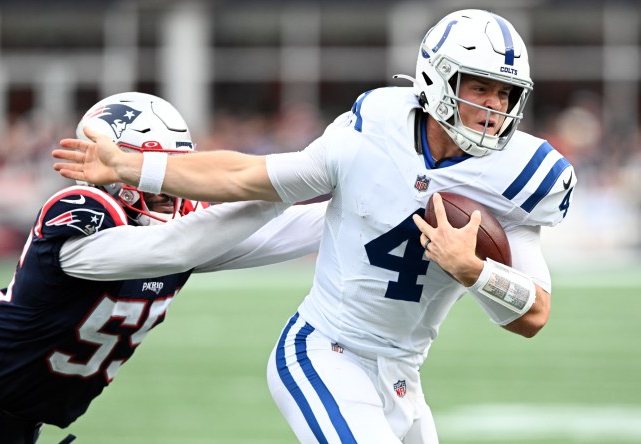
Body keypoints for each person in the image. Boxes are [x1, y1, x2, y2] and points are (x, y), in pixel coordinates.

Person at [53, 9, 577, 443]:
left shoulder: (522, 176)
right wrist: (130, 166)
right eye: (479, 88)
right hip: (325, 351)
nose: (493, 108)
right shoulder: (369, 133)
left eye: (505, 94)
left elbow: (534, 313)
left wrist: (473, 271)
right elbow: (248, 175)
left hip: (402, 376)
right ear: (438, 79)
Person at [0, 92, 326, 444]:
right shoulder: (84, 208)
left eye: (175, 165)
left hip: (10, 422)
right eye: (155, 165)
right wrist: (290, 178)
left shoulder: (180, 231)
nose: (169, 180)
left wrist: (366, 200)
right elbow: (174, 248)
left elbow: (290, 231)